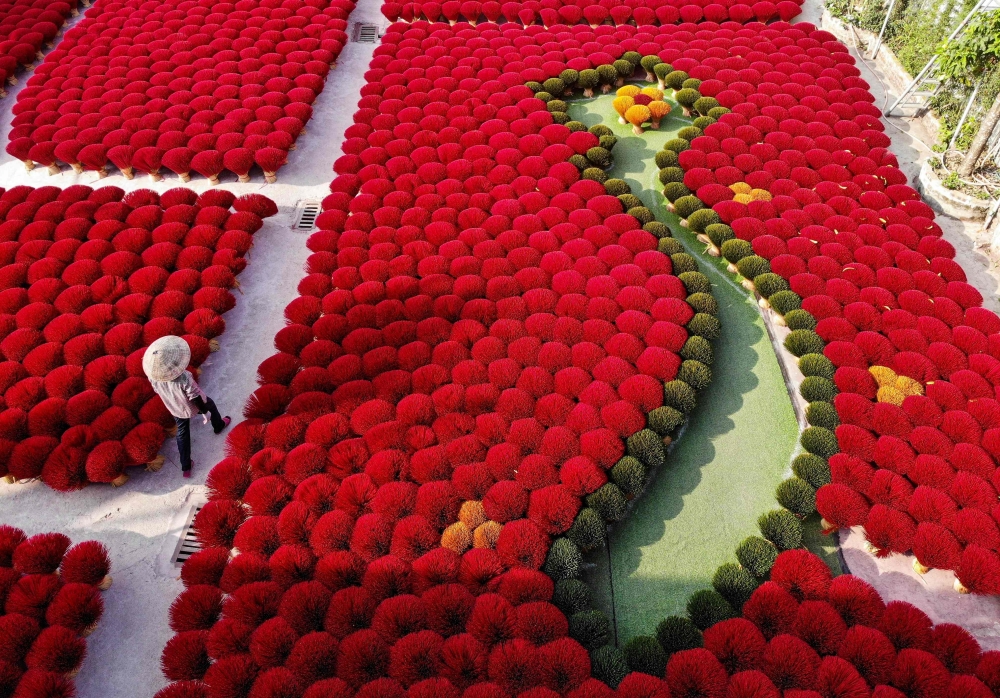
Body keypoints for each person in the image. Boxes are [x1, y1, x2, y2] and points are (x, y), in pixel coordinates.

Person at [142, 335, 231, 477]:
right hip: (193, 404)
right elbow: (194, 396)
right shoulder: (184, 376)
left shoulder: (154, 376)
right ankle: (218, 425)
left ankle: (186, 466)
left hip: (174, 407)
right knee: (211, 405)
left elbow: (157, 389)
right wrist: (204, 412)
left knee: (182, 433)